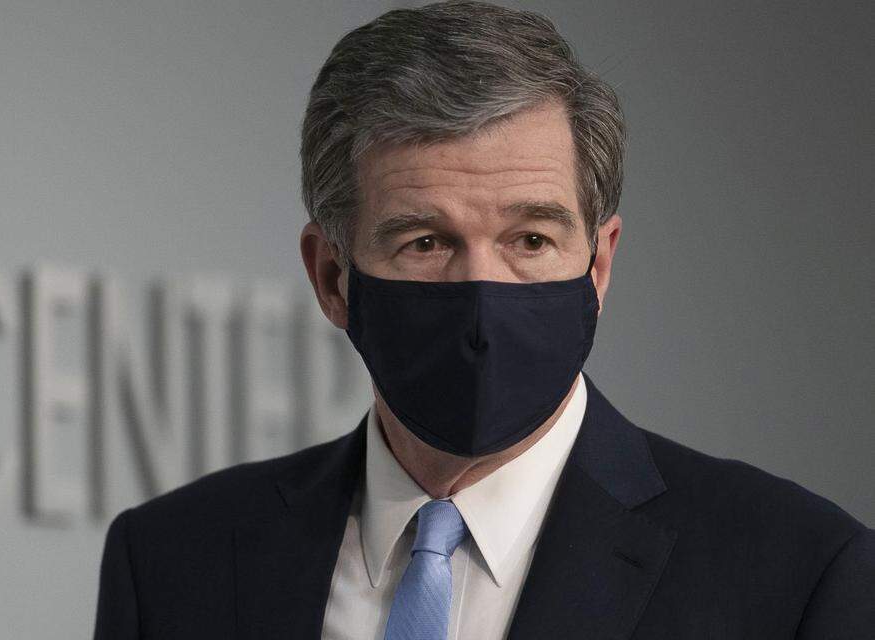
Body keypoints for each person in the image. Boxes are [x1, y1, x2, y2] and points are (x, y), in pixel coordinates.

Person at [92, 2, 874, 638]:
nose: (481, 292)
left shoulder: (799, 574)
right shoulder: (169, 563)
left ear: (598, 266)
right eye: (425, 242)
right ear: (333, 276)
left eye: (531, 239)